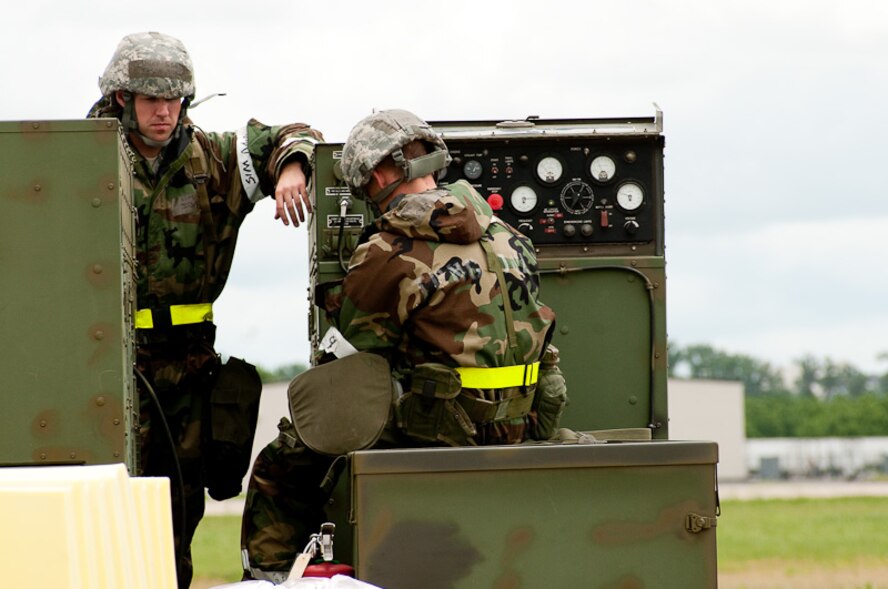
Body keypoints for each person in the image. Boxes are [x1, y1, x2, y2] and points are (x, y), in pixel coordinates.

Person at [239, 109, 567, 581]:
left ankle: (268, 578)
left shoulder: (388, 252)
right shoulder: (508, 236)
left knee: (283, 460)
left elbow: (351, 358)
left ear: (376, 176)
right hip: (523, 421)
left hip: (448, 428)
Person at [87, 31, 322, 588]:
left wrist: (291, 168)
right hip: (105, 365)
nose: (164, 111)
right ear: (123, 98)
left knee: (177, 516)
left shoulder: (212, 158)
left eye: (174, 99)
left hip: (187, 372)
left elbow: (293, 136)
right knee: (99, 511)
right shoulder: (87, 156)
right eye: (150, 99)